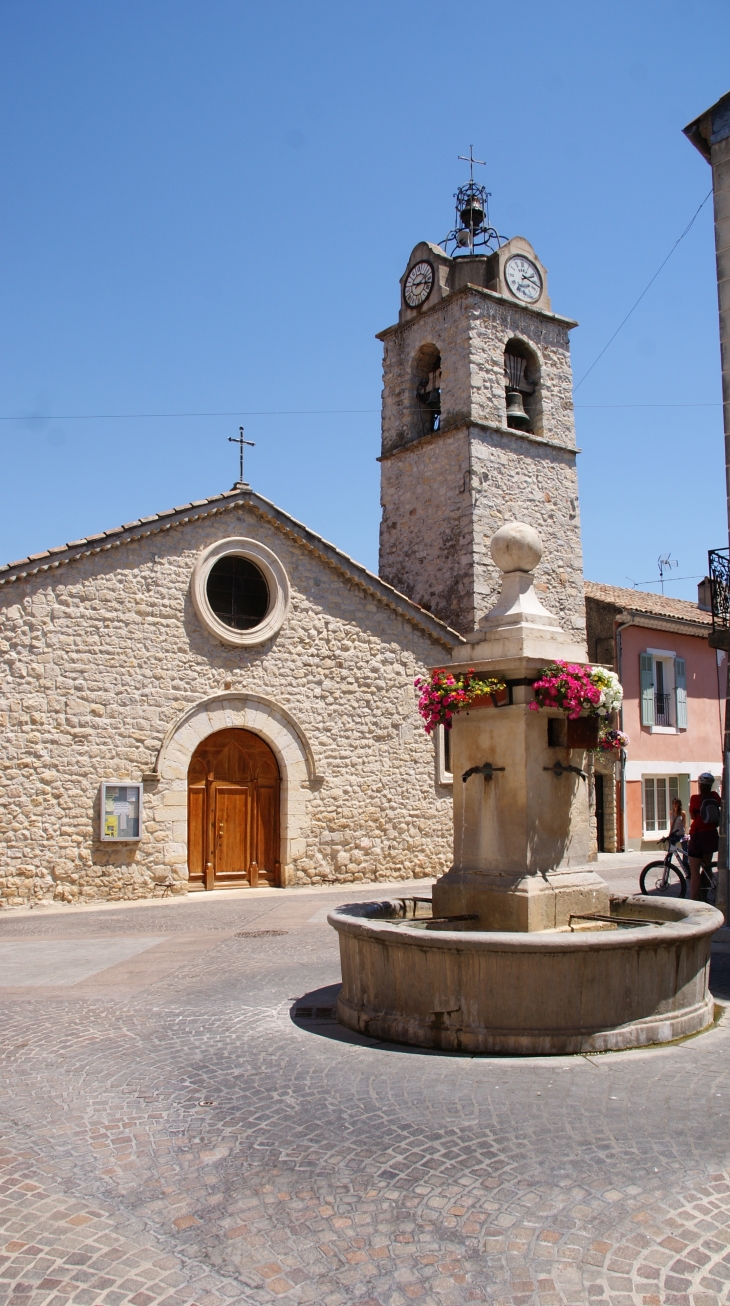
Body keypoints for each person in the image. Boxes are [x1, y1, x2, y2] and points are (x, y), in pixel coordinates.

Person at [687, 773, 720, 900]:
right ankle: (705, 895)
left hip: (697, 836)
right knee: (707, 867)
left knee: (694, 872)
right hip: (711, 835)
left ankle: (694, 900)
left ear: (700, 785)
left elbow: (693, 817)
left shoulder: (695, 798)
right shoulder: (715, 796)